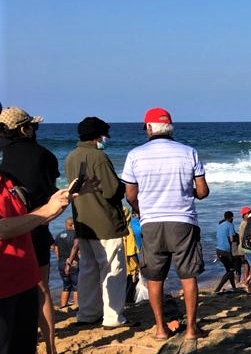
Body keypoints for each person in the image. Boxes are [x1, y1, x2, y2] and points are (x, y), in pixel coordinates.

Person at [122, 107, 209, 340]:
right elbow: (202, 191)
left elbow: (130, 194)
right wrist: (186, 190)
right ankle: (191, 329)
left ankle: (160, 329)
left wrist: (140, 209)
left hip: (152, 222)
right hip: (183, 221)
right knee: (188, 277)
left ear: (149, 128)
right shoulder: (189, 152)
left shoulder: (135, 155)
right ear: (169, 127)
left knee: (154, 277)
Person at [0, 181, 71, 354]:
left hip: (25, 281)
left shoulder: (6, 181)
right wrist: (44, 212)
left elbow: (25, 221)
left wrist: (57, 204)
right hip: (2, 287)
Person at [0, 106, 60, 354]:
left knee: (13, 296)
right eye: (33, 126)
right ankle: (52, 349)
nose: (36, 130)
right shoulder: (43, 155)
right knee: (42, 290)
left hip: (8, 235)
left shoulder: (4, 159)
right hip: (36, 226)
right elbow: (50, 193)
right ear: (24, 129)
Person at [65, 116, 130, 328]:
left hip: (82, 221)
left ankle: (87, 313)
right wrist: (123, 185)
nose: (105, 139)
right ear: (96, 137)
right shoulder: (98, 157)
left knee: (88, 270)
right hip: (104, 221)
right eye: (103, 136)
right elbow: (111, 190)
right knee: (113, 269)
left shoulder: (71, 157)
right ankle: (112, 317)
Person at [53, 217, 79, 310]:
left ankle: (63, 306)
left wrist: (59, 260)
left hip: (61, 263)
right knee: (77, 286)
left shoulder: (59, 235)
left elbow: (55, 249)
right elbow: (77, 248)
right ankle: (77, 306)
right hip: (73, 262)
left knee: (66, 286)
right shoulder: (76, 235)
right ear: (72, 225)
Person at [214, 211, 240, 293]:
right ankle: (218, 289)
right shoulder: (230, 224)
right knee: (231, 270)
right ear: (231, 218)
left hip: (218, 250)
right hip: (226, 251)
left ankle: (234, 287)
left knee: (229, 270)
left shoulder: (219, 225)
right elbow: (232, 239)